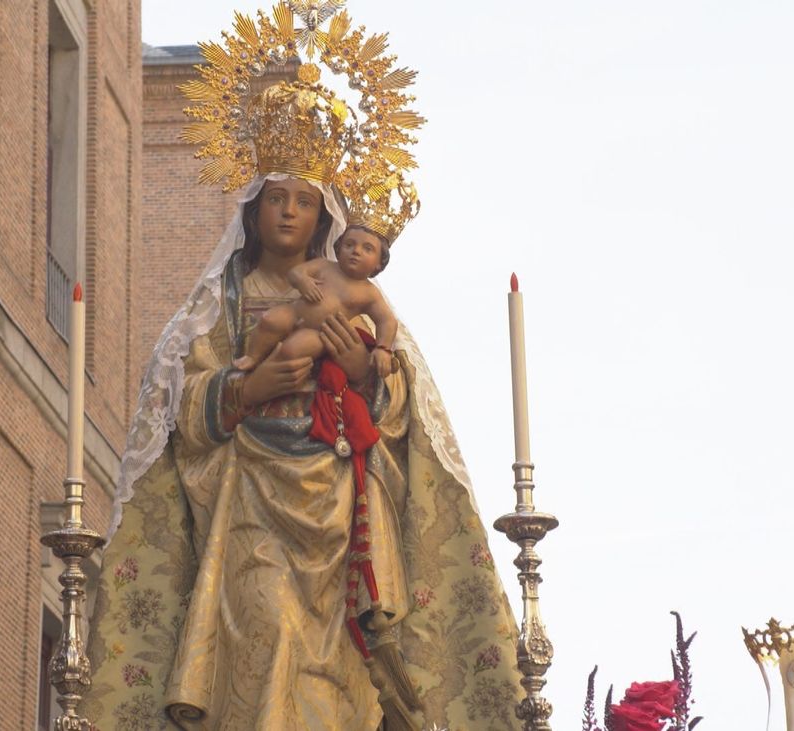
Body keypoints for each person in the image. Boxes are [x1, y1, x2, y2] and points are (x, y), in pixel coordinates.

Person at [82, 18, 523, 731]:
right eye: (277, 197)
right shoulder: (216, 304)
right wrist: (247, 388)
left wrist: (367, 372)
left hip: (341, 509)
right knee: (272, 634)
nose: (289, 212)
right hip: (253, 501)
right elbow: (178, 406)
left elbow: (402, 400)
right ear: (252, 205)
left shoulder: (354, 295)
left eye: (305, 201)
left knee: (334, 680)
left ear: (326, 216)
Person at [232, 224, 398, 378]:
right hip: (294, 312)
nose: (356, 251)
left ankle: (273, 375)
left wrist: (383, 349)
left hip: (319, 332)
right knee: (269, 320)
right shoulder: (324, 266)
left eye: (367, 249)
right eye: (349, 245)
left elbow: (387, 320)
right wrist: (303, 281)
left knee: (292, 350)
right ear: (338, 249)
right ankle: (252, 357)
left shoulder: (369, 294)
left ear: (378, 263)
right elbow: (295, 273)